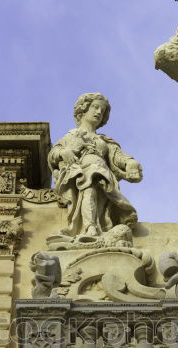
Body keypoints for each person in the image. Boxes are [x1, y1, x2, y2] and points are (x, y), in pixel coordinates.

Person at [48, 93, 142, 240]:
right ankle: (89, 227)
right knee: (89, 190)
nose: (99, 112)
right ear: (84, 109)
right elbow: (54, 153)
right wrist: (64, 152)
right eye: (95, 107)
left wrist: (130, 163)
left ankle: (100, 228)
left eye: (102, 110)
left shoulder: (103, 140)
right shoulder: (72, 135)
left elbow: (118, 156)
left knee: (103, 206)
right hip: (83, 172)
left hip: (104, 174)